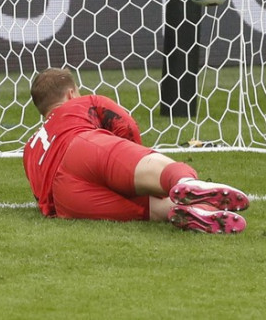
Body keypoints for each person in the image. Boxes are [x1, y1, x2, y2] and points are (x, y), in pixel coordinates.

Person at [23, 68, 249, 234]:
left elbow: (40, 195)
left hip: (67, 200)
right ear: (71, 93)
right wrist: (132, 162)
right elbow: (126, 125)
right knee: (158, 174)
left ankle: (200, 212)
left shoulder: (30, 148)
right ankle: (186, 181)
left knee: (151, 209)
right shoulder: (81, 103)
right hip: (82, 148)